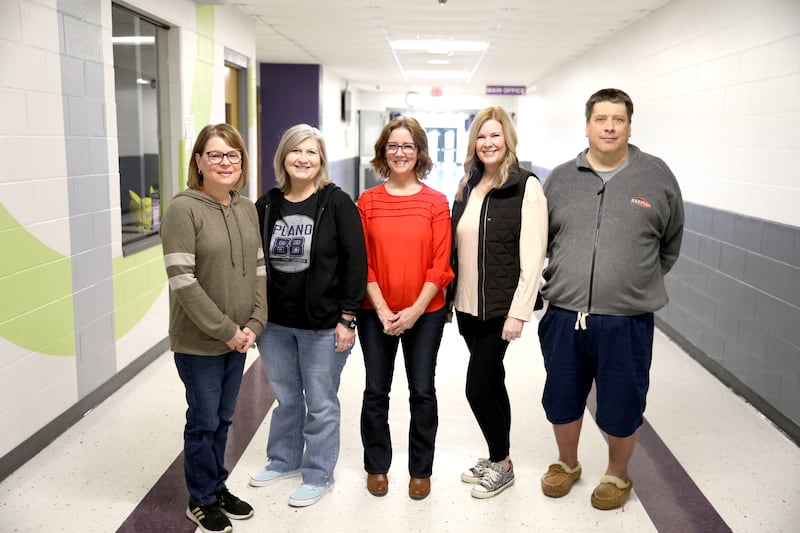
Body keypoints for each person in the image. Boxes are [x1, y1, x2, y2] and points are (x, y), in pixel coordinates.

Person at [538, 88, 684, 510]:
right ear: (587, 126)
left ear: (629, 127)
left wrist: (634, 281)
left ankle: (617, 474)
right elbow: (542, 240)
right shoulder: (560, 179)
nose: (609, 127)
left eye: (618, 119)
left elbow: (670, 243)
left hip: (627, 319)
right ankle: (566, 464)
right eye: (601, 119)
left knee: (623, 400)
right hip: (565, 313)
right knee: (561, 396)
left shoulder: (656, 176)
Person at [248, 124, 367, 507]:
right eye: (295, 151)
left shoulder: (337, 203)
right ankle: (284, 460)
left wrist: (347, 318)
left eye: (311, 152)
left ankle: (318, 474)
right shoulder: (267, 204)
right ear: (283, 157)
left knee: (320, 402)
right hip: (274, 325)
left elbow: (356, 263)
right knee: (286, 398)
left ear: (321, 160)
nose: (303, 158)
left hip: (323, 325)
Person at [160, 123, 266, 533]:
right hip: (200, 342)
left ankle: (216, 487)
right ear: (199, 162)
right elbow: (183, 281)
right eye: (215, 155)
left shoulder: (246, 207)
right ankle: (200, 499)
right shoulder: (182, 209)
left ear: (241, 162)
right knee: (204, 421)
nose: (225, 162)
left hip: (238, 338)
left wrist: (255, 322)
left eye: (233, 155)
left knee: (223, 419)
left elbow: (259, 269)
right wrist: (227, 330)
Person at [447, 106, 548, 499]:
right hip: (468, 307)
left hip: (499, 309)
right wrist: (450, 299)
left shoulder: (526, 186)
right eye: (481, 136)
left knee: (477, 387)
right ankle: (497, 457)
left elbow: (534, 254)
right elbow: (457, 247)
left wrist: (519, 312)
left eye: (495, 135)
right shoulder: (468, 184)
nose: (488, 143)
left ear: (508, 139)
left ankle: (502, 464)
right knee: (493, 380)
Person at [357, 116, 454, 500]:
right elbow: (362, 261)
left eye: (408, 146)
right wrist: (382, 309)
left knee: (422, 390)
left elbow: (440, 264)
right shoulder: (368, 201)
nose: (400, 153)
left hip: (425, 313)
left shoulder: (436, 202)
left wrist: (414, 310)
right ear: (384, 152)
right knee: (375, 391)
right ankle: (376, 466)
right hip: (374, 312)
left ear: (419, 152)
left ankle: (420, 470)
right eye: (393, 146)